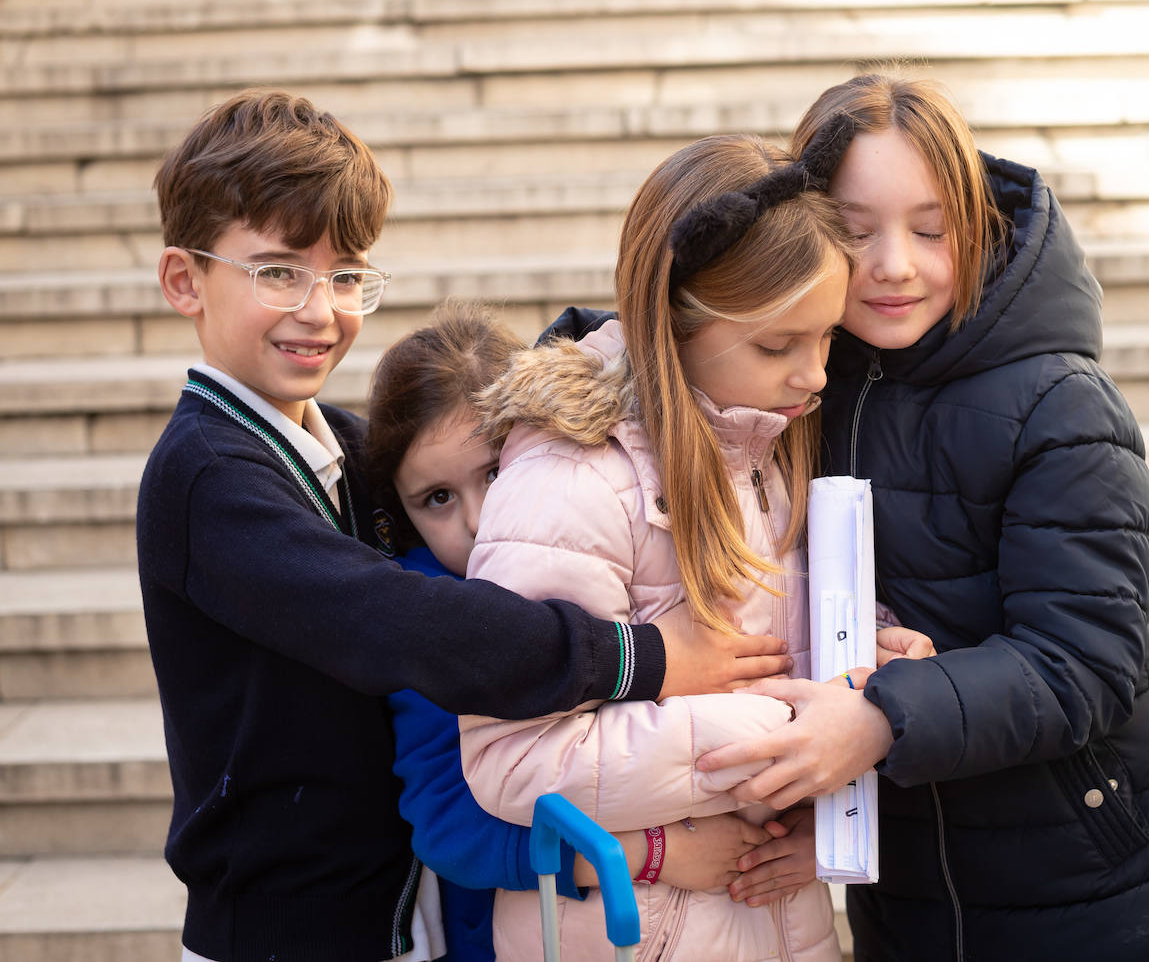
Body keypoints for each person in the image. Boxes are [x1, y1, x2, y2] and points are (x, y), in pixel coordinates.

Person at [136, 89, 792, 962]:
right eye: (278, 271)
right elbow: (396, 621)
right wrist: (643, 655)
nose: (320, 309)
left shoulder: (351, 454)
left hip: (398, 917)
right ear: (186, 280)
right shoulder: (208, 475)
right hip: (283, 933)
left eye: (344, 274)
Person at [698, 73, 1149, 962]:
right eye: (853, 232)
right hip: (909, 892)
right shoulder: (809, 385)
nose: (894, 264)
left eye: (930, 229)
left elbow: (1084, 661)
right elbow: (679, 323)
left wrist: (879, 719)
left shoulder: (1061, 404)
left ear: (976, 226)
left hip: (1088, 891)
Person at [455, 125, 862, 961]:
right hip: (631, 929)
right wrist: (769, 732)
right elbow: (509, 758)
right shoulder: (572, 481)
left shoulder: (764, 443)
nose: (815, 374)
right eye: (777, 345)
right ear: (673, 325)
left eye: (827, 338)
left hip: (772, 920)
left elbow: (763, 642)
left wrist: (868, 659)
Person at [364, 300, 783, 961]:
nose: (478, 520)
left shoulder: (588, 536)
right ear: (403, 513)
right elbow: (449, 821)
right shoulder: (431, 618)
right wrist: (647, 853)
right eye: (437, 498)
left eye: (496, 474)